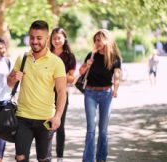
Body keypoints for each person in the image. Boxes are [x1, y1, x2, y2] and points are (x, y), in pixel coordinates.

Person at [7, 20, 67, 162]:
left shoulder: (56, 62)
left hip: (45, 119)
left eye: (39, 38)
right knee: (20, 157)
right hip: (22, 117)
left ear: (47, 39)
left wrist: (57, 116)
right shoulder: (22, 58)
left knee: (43, 159)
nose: (34, 41)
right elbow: (9, 83)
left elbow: (61, 91)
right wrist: (14, 78)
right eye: (32, 37)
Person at [79, 29, 121, 162]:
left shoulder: (114, 57)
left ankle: (101, 159)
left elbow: (117, 76)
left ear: (106, 40)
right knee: (91, 128)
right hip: (90, 93)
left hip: (106, 94)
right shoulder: (91, 55)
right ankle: (88, 160)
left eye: (99, 40)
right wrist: (87, 64)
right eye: (95, 40)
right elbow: (81, 72)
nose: (96, 43)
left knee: (103, 129)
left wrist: (115, 89)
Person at [50, 27, 76, 162]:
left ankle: (60, 156)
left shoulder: (69, 56)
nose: (56, 41)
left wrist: (59, 77)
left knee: (59, 125)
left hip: (61, 95)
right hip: (46, 95)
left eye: (59, 38)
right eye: (54, 38)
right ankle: (45, 155)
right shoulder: (46, 53)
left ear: (64, 39)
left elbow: (72, 78)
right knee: (46, 125)